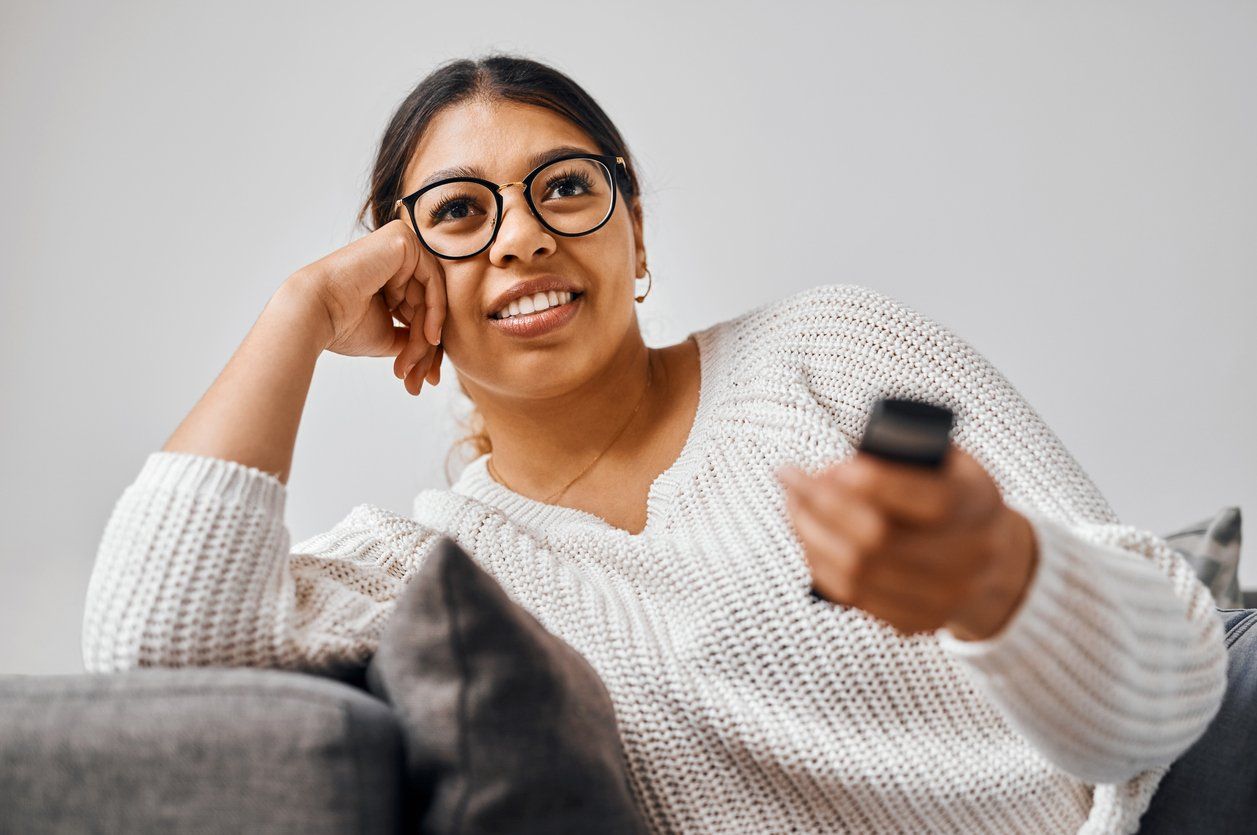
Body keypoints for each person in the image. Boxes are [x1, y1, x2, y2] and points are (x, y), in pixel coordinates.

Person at [81, 54, 1239, 833]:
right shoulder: (438, 577)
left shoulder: (823, 352)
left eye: (565, 188)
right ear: (404, 281)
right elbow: (147, 651)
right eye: (460, 213)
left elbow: (1174, 683)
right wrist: (292, 312)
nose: (525, 237)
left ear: (632, 234)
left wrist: (1004, 581)